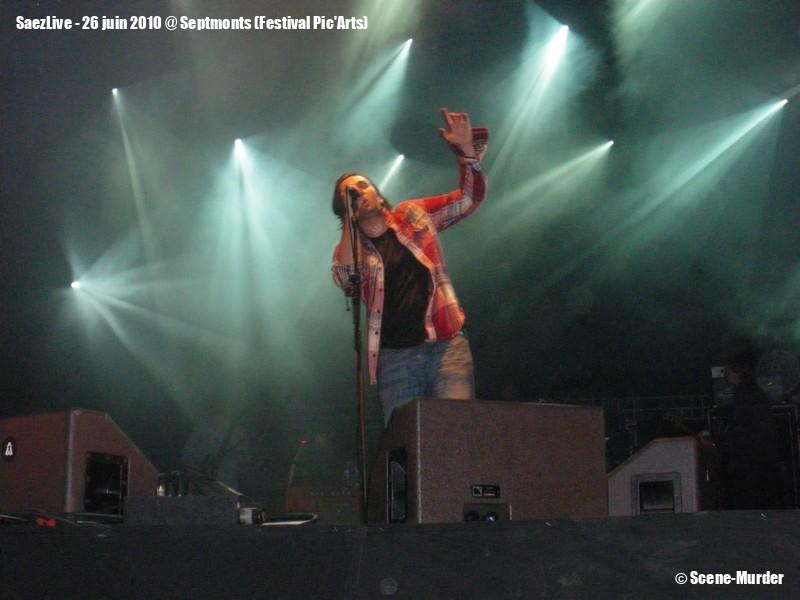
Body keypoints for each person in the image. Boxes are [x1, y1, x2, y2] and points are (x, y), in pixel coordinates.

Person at [331, 108, 489, 425]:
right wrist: (348, 214)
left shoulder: (411, 214)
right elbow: (346, 278)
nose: (359, 192)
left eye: (362, 185)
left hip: (446, 346)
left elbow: (467, 201)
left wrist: (467, 154)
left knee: (456, 433)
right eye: (350, 193)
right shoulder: (354, 250)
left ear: (377, 193)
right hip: (396, 359)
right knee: (404, 443)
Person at [719, 348, 787, 510]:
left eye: (727, 368)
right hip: (761, 462)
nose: (724, 373)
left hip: (753, 465)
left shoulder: (745, 394)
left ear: (737, 370)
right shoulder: (753, 393)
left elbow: (745, 431)